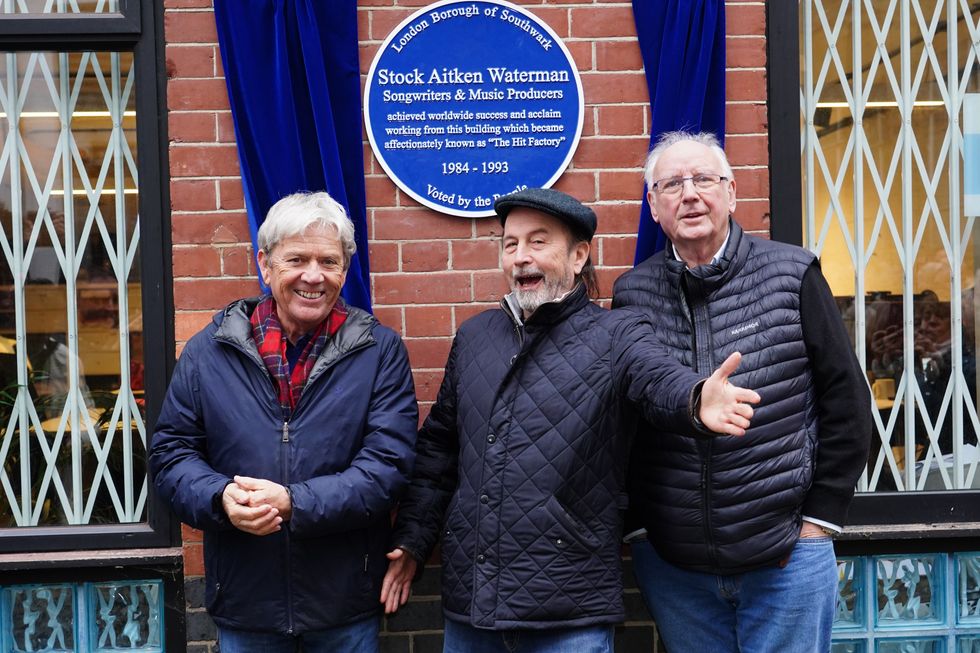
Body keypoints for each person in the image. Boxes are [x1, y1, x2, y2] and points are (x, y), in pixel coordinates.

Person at [380, 187, 761, 653]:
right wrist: (415, 541)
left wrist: (695, 398)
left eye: (538, 242)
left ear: (579, 255)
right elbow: (439, 451)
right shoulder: (475, 337)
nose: (521, 257)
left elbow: (655, 377)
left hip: (569, 608)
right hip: (472, 605)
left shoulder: (616, 332)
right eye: (511, 244)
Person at [613, 131, 873, 653]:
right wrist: (640, 528)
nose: (690, 194)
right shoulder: (631, 295)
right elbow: (624, 418)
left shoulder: (792, 273)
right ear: (654, 206)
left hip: (786, 559)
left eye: (704, 179)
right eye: (671, 184)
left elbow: (846, 402)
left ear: (732, 193)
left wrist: (819, 521)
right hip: (676, 571)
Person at [149, 192, 418, 653]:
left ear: (345, 269)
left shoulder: (379, 352)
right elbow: (172, 456)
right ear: (265, 264)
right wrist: (220, 498)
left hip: (343, 606)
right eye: (296, 258)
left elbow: (386, 469)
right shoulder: (208, 351)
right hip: (246, 602)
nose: (313, 276)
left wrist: (294, 502)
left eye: (328, 261)